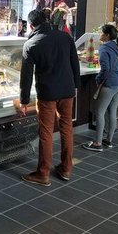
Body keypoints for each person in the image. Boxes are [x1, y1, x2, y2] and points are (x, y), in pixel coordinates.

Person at [18, 9, 80, 186]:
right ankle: (66, 168)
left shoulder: (31, 44)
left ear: (31, 25)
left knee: (46, 132)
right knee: (67, 128)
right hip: (67, 90)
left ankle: (43, 173)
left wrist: (24, 101)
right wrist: (76, 86)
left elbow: (26, 76)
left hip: (47, 93)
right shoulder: (65, 37)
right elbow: (74, 63)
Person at [83, 24, 118, 152]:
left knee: (99, 112)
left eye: (102, 33)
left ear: (107, 35)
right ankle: (108, 141)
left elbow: (105, 69)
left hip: (110, 84)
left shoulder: (104, 48)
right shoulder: (117, 47)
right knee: (112, 112)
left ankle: (97, 143)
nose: (100, 35)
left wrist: (98, 80)